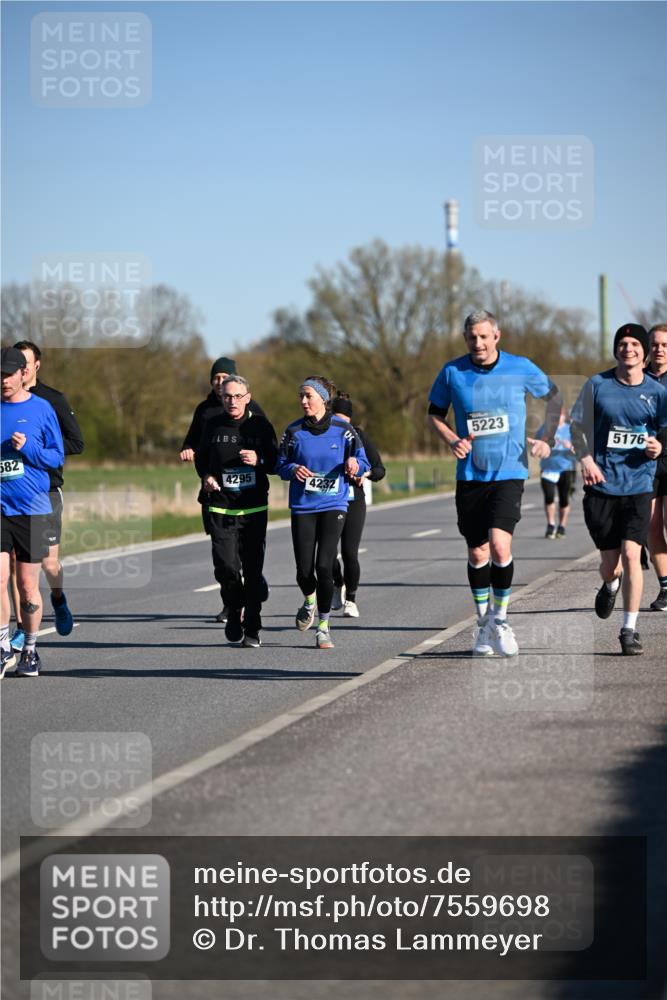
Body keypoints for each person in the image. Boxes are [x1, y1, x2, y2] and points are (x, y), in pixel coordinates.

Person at [428, 309, 562, 657]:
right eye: (472, 337)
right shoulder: (452, 371)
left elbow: (555, 398)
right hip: (470, 475)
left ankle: (500, 620)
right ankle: (483, 624)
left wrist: (546, 436)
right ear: (465, 339)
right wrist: (451, 440)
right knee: (477, 552)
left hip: (509, 472)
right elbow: (434, 414)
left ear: (496, 336)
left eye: (484, 336)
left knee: (500, 546)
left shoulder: (519, 367)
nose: (478, 343)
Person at [570, 323, 667, 655]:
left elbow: (665, 434)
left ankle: (629, 629)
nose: (629, 349)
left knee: (631, 554)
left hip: (640, 485)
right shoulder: (597, 385)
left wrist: (659, 447)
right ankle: (610, 583)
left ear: (644, 352)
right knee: (612, 564)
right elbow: (576, 428)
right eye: (623, 344)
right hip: (602, 486)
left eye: (634, 344)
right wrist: (586, 460)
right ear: (616, 349)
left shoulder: (658, 392)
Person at [275, 376, 369, 649]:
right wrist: (292, 469)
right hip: (303, 505)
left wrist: (354, 463)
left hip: (334, 504)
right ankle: (309, 600)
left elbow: (363, 462)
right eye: (301, 397)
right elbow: (279, 464)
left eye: (308, 396)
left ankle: (324, 627)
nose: (303, 401)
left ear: (322, 399)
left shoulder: (343, 430)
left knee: (324, 566)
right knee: (304, 571)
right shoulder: (293, 431)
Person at [9, 341, 84, 651]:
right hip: (11, 494)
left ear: (36, 366)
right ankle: (21, 626)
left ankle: (57, 597)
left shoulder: (52, 400)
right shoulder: (4, 401)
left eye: (25, 364)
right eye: (15, 366)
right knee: (15, 564)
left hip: (45, 491)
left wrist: (35, 450)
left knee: (48, 564)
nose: (21, 370)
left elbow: (76, 443)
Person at [180, 356, 267, 622]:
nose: (220, 384)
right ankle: (231, 603)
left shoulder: (256, 415)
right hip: (215, 494)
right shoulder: (205, 413)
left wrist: (259, 459)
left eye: (224, 378)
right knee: (225, 560)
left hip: (249, 499)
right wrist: (192, 457)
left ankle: (251, 590)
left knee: (246, 559)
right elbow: (194, 444)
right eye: (216, 379)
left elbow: (271, 452)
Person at [194, 375, 277, 647]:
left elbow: (276, 462)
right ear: (221, 397)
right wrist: (206, 476)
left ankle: (252, 626)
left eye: (238, 396)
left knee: (252, 571)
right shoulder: (212, 424)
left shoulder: (260, 425)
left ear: (248, 397)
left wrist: (259, 459)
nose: (232, 401)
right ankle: (234, 608)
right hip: (221, 505)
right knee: (226, 567)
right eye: (227, 396)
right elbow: (202, 458)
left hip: (253, 507)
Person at [1, 347, 64, 678]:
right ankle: (0, 646)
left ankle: (30, 650)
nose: (3, 381)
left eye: (8, 375)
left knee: (27, 585)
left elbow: (57, 458)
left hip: (32, 508)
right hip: (0, 508)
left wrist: (29, 449)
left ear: (22, 374)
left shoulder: (42, 409)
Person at [329, 392, 386, 618]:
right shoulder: (324, 435)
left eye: (344, 420)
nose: (340, 425)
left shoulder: (359, 436)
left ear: (350, 420)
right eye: (336, 419)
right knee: (328, 554)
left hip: (353, 501)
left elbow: (380, 470)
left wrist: (366, 473)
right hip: (330, 501)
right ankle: (337, 583)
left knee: (350, 553)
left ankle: (351, 599)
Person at [644, 323, 667, 610]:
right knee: (651, 526)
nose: (659, 349)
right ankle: (665, 587)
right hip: (646, 462)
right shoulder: (638, 379)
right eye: (655, 344)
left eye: (664, 344)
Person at [538, 408, 576, 539]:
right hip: (548, 468)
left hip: (566, 468)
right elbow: (536, 444)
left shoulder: (570, 429)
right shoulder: (545, 428)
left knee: (564, 499)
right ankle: (550, 525)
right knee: (549, 497)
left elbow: (580, 449)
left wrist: (570, 446)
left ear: (563, 416)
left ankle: (562, 526)